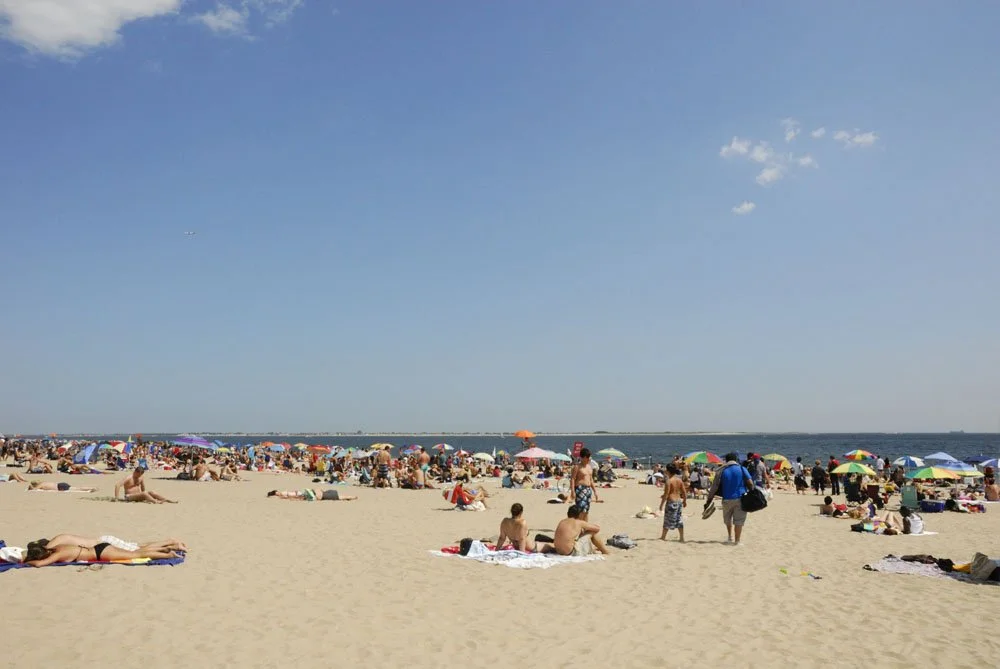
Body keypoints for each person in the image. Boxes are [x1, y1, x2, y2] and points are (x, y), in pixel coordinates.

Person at [703, 452, 755, 546]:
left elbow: (714, 487)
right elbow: (750, 483)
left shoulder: (721, 471)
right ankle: (737, 541)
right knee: (739, 521)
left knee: (728, 519)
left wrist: (708, 501)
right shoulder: (742, 469)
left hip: (726, 499)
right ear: (736, 460)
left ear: (726, 460)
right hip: (741, 498)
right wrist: (752, 493)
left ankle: (730, 537)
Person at [21, 538, 178, 567]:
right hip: (99, 547)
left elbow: (40, 564)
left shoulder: (57, 555)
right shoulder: (57, 548)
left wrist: (26, 561)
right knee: (137, 551)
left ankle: (168, 554)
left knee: (137, 554)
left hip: (100, 554)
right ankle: (165, 549)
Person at [34, 534, 187, 553]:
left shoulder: (55, 542)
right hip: (103, 540)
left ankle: (170, 543)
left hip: (104, 542)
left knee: (137, 549)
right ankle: (169, 543)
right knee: (137, 545)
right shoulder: (60, 537)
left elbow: (47, 549)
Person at [569, 448, 600, 521]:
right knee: (581, 509)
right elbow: (572, 479)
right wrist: (572, 491)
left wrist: (595, 491)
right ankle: (578, 526)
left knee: (586, 510)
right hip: (580, 489)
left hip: (588, 489)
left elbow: (591, 480)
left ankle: (585, 526)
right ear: (584, 457)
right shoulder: (577, 467)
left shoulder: (589, 467)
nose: (589, 459)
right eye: (588, 457)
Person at [659, 463, 686, 542]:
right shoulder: (679, 480)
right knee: (679, 520)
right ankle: (681, 538)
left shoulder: (669, 481)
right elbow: (684, 492)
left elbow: (667, 494)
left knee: (667, 520)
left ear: (668, 471)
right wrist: (684, 501)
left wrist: (661, 505)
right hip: (679, 502)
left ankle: (663, 537)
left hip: (671, 502)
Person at [267, 489, 358, 501]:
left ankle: (352, 497)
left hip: (321, 494)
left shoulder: (282, 494)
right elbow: (292, 496)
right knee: (341, 496)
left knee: (341, 496)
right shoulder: (282, 494)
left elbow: (293, 495)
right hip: (321, 493)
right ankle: (352, 497)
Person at [27, 481, 96, 492]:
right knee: (77, 488)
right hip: (60, 485)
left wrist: (30, 488)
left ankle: (91, 488)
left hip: (60, 487)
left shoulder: (41, 485)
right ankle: (90, 488)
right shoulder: (44, 482)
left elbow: (34, 490)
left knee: (77, 489)